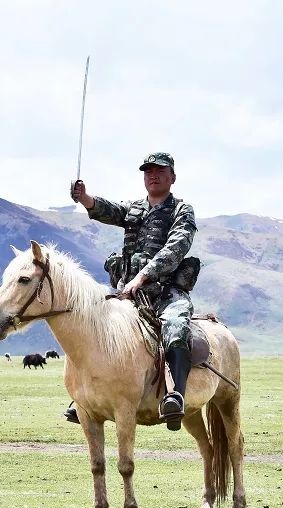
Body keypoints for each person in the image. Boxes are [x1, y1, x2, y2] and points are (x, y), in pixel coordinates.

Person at [65, 152, 197, 431]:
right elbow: (109, 210)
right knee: (93, 326)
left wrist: (143, 276)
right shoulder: (134, 209)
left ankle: (175, 395)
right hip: (128, 292)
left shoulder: (181, 211)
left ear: (172, 177)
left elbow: (176, 247)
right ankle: (87, 398)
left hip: (165, 291)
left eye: (160, 171)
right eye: (148, 171)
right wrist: (85, 198)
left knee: (174, 326)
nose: (153, 175)